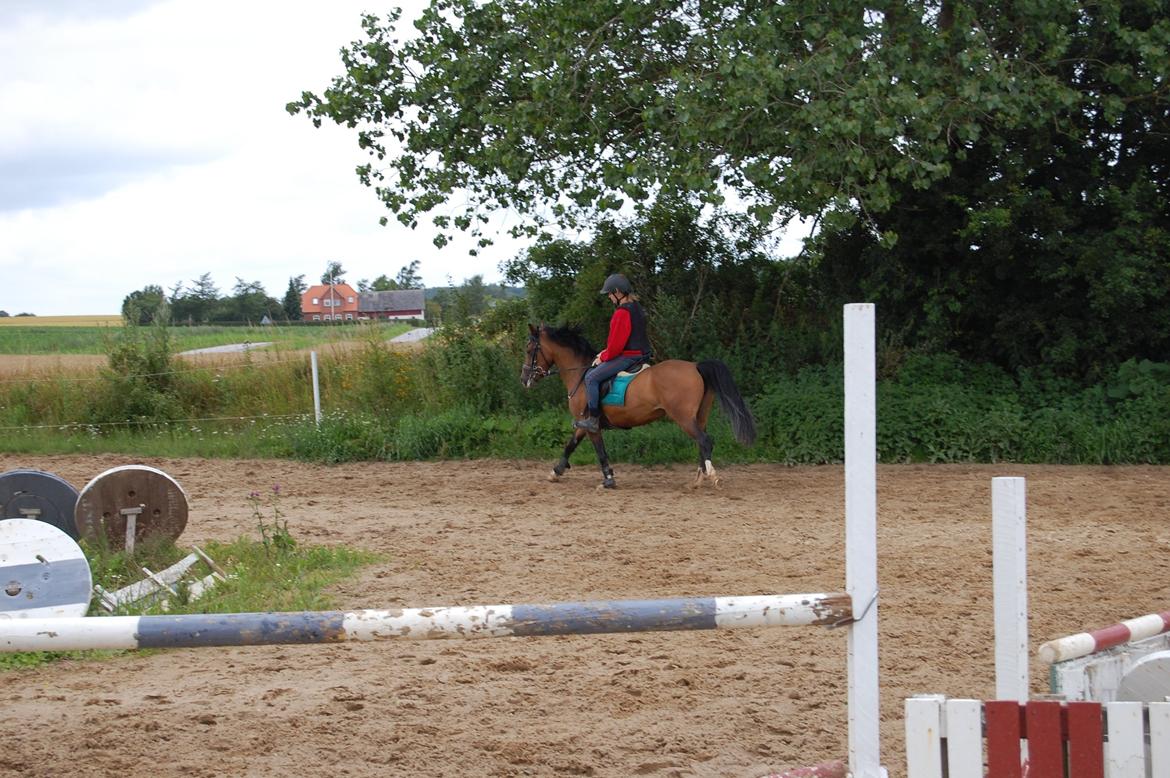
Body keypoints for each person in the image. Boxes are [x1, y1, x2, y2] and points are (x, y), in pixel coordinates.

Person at [573, 273, 652, 433]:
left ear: (617, 291)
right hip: (642, 354)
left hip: (628, 357)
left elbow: (616, 347)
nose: (609, 296)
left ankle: (593, 420)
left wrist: (602, 357)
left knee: (591, 377)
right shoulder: (637, 307)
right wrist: (605, 351)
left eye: (609, 293)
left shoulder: (622, 313)